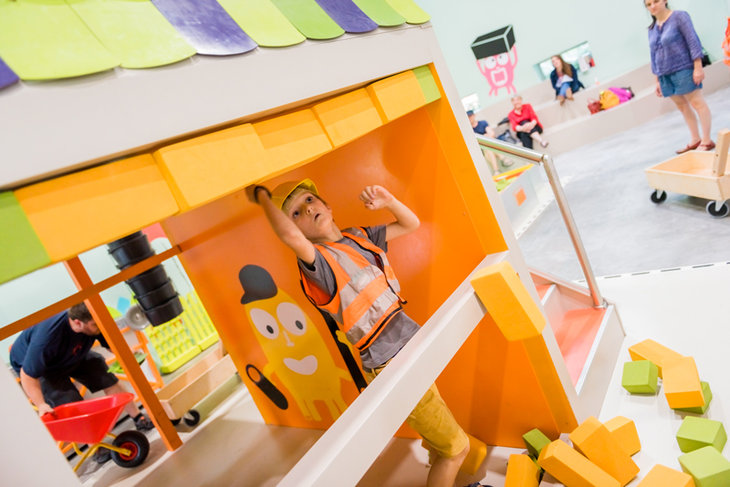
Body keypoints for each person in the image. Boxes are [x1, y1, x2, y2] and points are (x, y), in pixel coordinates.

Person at [247, 180, 471, 487]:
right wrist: (261, 197)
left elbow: (410, 224)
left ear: (327, 205)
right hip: (389, 363)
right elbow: (289, 238)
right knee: (456, 450)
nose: (307, 209)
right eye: (295, 213)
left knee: (439, 434)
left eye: (309, 200)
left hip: (408, 346)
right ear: (296, 231)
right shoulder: (318, 264)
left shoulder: (358, 237)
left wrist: (389, 202)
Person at [10, 303, 154, 461]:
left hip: (70, 355)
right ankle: (95, 449)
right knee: (71, 402)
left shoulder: (93, 323)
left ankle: (138, 418)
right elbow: (27, 375)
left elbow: (112, 345)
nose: (98, 326)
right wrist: (41, 405)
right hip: (44, 368)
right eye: (94, 325)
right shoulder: (47, 339)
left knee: (105, 375)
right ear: (77, 323)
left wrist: (129, 355)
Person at [646, 0, 714, 153]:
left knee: (697, 102)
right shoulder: (652, 29)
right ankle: (695, 139)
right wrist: (657, 80)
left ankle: (707, 140)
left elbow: (693, 41)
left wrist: (698, 67)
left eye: (655, 1)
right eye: (648, 4)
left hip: (683, 68)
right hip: (664, 74)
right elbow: (653, 54)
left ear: (665, 1)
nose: (653, 6)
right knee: (682, 106)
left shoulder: (679, 17)